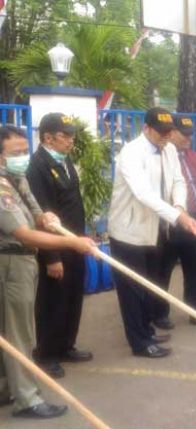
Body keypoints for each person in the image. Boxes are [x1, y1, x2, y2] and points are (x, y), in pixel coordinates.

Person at [0, 125, 95, 419]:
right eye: (16, 153)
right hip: (11, 263)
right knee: (20, 334)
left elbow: (34, 211)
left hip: (23, 262)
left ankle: (8, 387)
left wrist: (46, 217)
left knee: (11, 330)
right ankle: (27, 400)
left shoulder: (16, 178)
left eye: (24, 150)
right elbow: (23, 234)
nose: (23, 157)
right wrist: (72, 242)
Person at [108, 107, 196, 358]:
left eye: (169, 131)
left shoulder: (169, 149)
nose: (166, 136)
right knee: (133, 290)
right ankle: (139, 343)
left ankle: (146, 330)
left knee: (150, 285)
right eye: (161, 132)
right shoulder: (131, 153)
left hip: (156, 230)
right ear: (146, 128)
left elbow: (178, 181)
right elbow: (144, 193)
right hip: (129, 232)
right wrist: (177, 216)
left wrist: (180, 206)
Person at [24, 113, 91, 379]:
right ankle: (47, 352)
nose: (70, 140)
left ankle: (66, 345)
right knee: (52, 301)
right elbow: (41, 214)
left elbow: (72, 204)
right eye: (65, 135)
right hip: (55, 246)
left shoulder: (64, 161)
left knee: (73, 296)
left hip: (74, 242)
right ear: (47, 137)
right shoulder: (37, 167)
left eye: (71, 135)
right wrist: (52, 257)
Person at [158, 116, 196, 326]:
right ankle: (159, 313)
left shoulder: (195, 157)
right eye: (184, 134)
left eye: (190, 134)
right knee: (163, 270)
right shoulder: (162, 157)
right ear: (171, 132)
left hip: (194, 218)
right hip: (170, 220)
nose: (188, 138)